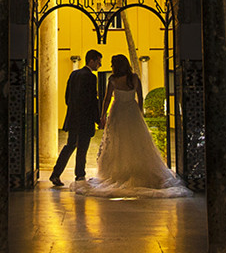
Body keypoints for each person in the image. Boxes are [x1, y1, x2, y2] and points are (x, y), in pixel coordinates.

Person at [76, 31, 190, 198]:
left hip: (117, 113)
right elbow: (141, 97)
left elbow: (107, 100)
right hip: (132, 112)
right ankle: (137, 169)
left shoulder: (113, 80)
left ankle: (118, 172)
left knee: (118, 142)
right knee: (136, 142)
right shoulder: (134, 78)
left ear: (116, 65)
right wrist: (140, 112)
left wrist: (102, 115)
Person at [50, 49, 105, 185]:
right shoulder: (91, 77)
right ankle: (80, 175)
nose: (100, 65)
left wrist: (73, 111)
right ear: (91, 60)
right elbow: (93, 100)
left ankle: (55, 174)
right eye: (98, 61)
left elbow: (67, 97)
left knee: (70, 145)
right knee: (82, 148)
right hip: (85, 119)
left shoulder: (74, 74)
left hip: (73, 117)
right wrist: (97, 119)